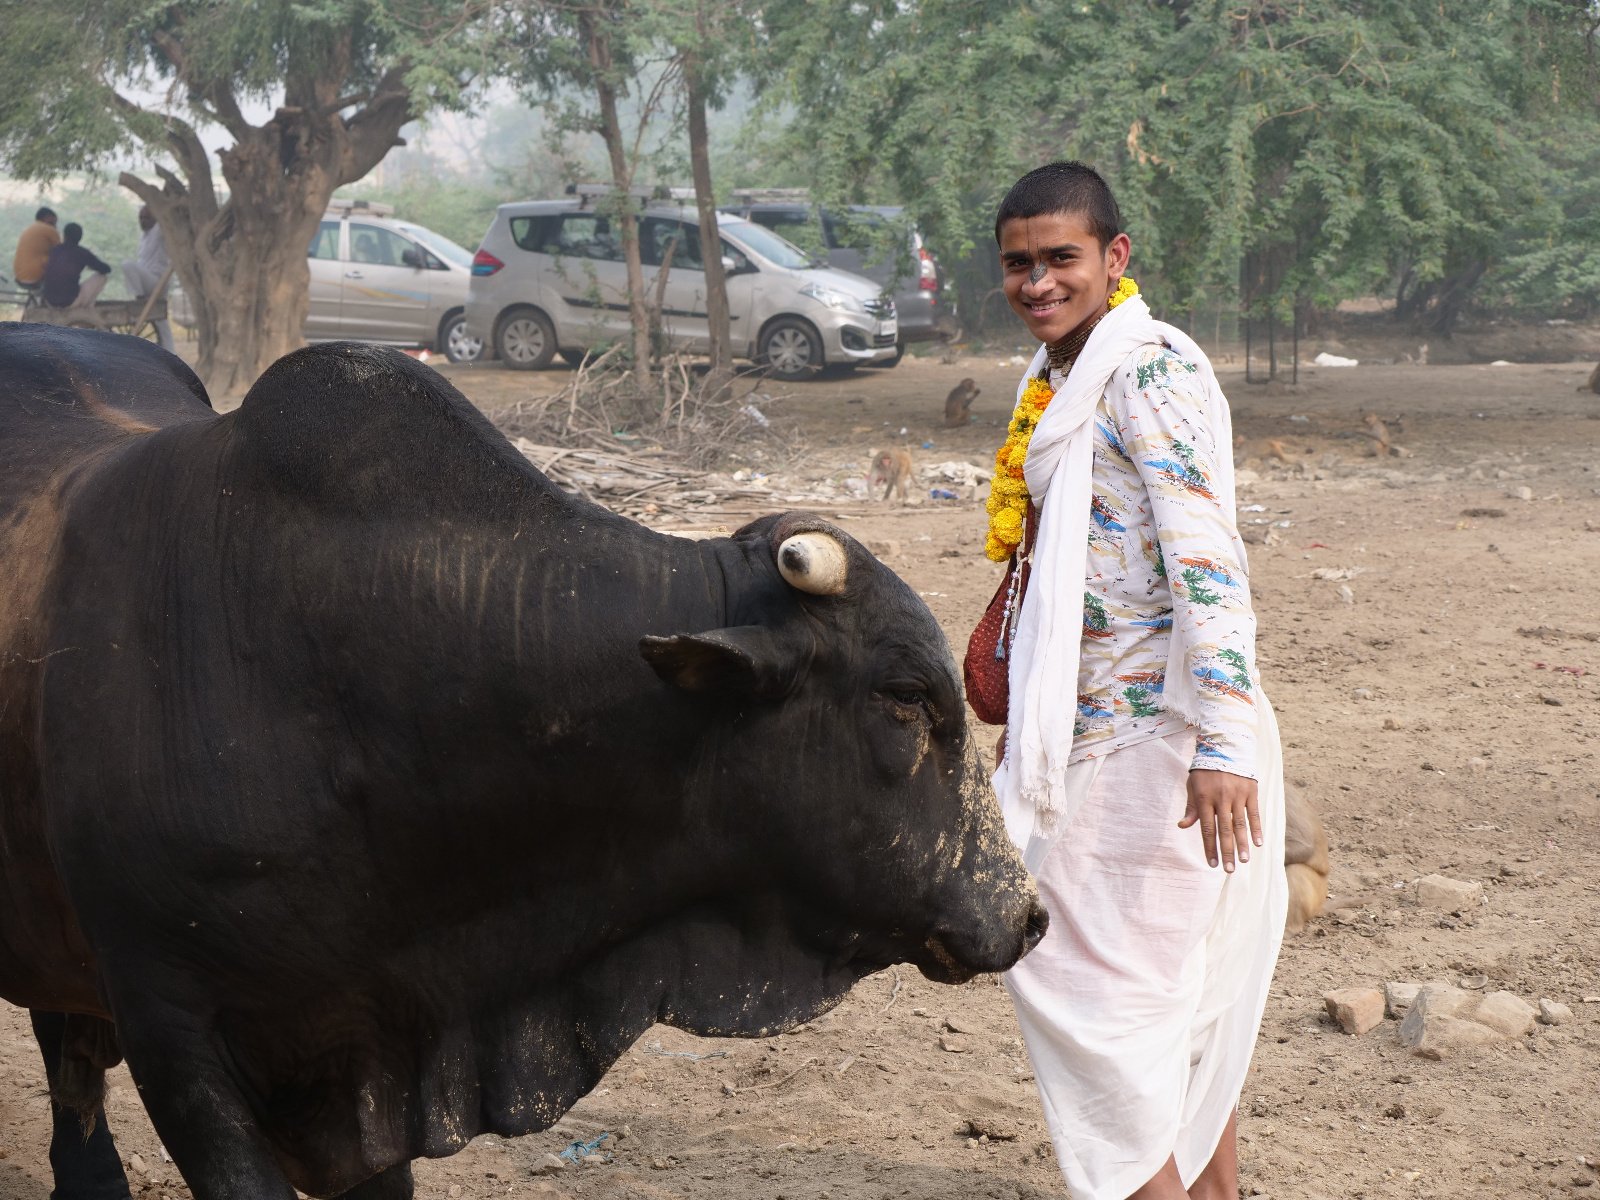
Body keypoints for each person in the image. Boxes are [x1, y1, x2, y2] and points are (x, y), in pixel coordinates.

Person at [981, 161, 1286, 1200]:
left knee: (1093, 1003)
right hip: (1086, 736)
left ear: (1115, 258)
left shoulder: (1145, 372)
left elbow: (1208, 565)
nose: (1037, 283)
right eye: (1018, 264)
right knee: (1161, 1005)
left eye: (1060, 258)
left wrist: (1223, 745)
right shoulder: (1056, 379)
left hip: (1159, 743)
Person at [121, 205, 175, 351]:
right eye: (141, 218)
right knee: (160, 320)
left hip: (157, 280)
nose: (143, 221)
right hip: (149, 280)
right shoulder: (144, 236)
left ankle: (139, 297)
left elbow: (165, 216)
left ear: (155, 219)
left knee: (127, 265)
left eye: (146, 218)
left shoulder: (159, 230)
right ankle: (171, 353)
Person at [41, 224, 112, 310]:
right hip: (70, 302)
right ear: (80, 237)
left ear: (64, 235)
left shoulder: (55, 250)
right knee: (102, 277)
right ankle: (89, 309)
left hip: (49, 301)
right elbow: (106, 269)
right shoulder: (82, 252)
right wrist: (90, 265)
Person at [12, 205, 61, 291]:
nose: (55, 226)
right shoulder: (49, 229)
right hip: (35, 277)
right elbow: (63, 251)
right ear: (47, 218)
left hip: (19, 277)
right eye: (54, 222)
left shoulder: (30, 228)